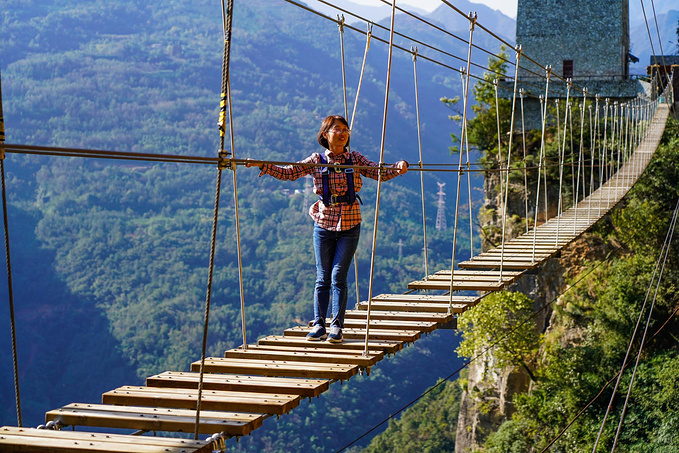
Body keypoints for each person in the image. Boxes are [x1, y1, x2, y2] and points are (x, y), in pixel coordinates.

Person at [246, 115, 408, 343]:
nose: (342, 133)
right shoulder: (316, 160)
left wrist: (398, 167)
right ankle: (319, 324)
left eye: (345, 129)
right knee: (323, 277)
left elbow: (377, 172)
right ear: (325, 134)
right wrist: (264, 165)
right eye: (337, 129)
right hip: (323, 224)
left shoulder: (355, 158)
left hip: (350, 224)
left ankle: (337, 326)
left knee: (337, 276)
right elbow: (289, 173)